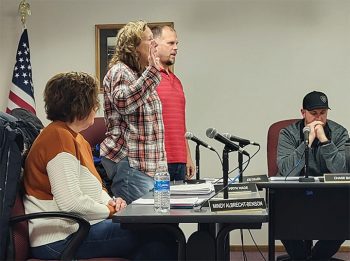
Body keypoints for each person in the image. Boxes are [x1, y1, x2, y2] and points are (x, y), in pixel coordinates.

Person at [23, 72, 177, 260]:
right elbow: (71, 203)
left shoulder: (76, 138)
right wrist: (109, 211)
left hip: (77, 229)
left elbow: (91, 188)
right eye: (93, 100)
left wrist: (112, 202)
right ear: (79, 105)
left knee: (154, 242)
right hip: (59, 239)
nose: (97, 106)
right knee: (162, 233)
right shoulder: (58, 137)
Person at [100, 20, 166, 204]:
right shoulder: (120, 71)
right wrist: (152, 71)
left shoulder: (139, 75)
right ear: (133, 47)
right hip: (131, 166)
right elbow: (123, 103)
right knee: (143, 229)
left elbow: (153, 128)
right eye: (149, 40)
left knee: (158, 226)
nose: (155, 44)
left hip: (148, 168)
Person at [277, 90, 348, 260]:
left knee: (346, 217)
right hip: (294, 195)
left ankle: (317, 257)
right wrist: (307, 142)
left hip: (330, 195)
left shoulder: (339, 133)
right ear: (303, 113)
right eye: (313, 113)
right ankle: (301, 257)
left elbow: (341, 171)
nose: (318, 118)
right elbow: (287, 170)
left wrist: (325, 141)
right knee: (280, 215)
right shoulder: (287, 134)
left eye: (322, 113)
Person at [151, 25, 195, 181]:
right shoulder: (148, 80)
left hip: (180, 161)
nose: (176, 48)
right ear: (154, 45)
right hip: (157, 161)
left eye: (177, 44)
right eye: (170, 43)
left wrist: (187, 156)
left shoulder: (177, 81)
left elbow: (181, 124)